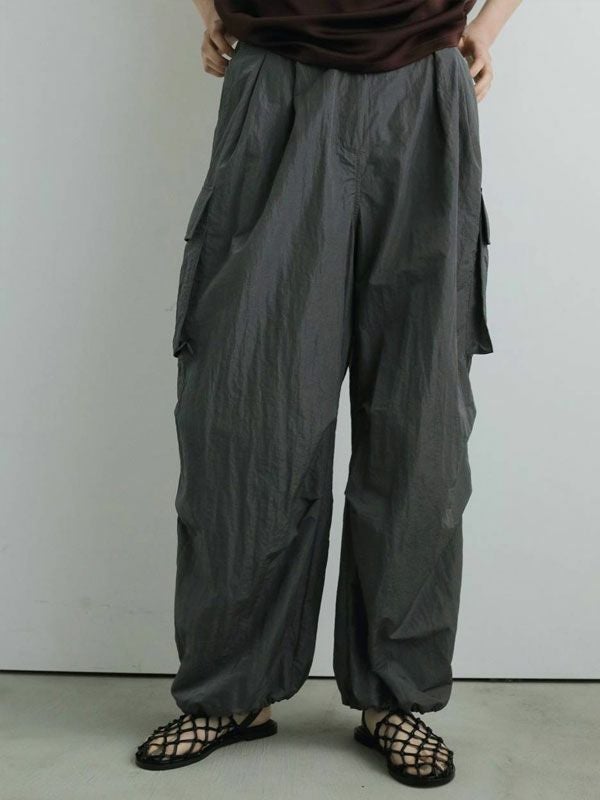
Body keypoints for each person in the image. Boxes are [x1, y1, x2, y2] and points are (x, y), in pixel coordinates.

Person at [135, 0, 521, 786]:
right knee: (247, 414)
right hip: (277, 77)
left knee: (420, 424)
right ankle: (230, 692)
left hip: (423, 86)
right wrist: (210, 11)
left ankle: (395, 697)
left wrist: (486, 29)